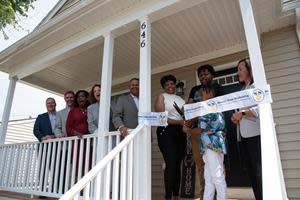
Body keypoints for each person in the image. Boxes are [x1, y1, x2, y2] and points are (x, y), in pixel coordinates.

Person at [183, 85, 227, 200]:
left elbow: (200, 129)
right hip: (210, 146)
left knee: (217, 176)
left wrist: (188, 130)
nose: (200, 97)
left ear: (211, 95)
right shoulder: (214, 108)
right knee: (209, 177)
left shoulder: (208, 109)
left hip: (212, 146)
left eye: (202, 94)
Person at [231, 58, 262, 200]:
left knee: (258, 171)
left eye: (240, 69)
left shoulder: (256, 86)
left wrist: (241, 113)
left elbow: (258, 110)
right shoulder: (243, 89)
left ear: (249, 69)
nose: (238, 72)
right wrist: (236, 117)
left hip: (255, 136)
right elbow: (242, 112)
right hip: (243, 136)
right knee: (251, 172)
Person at [154, 75, 186, 200]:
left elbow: (185, 116)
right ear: (164, 87)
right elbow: (161, 118)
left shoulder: (180, 99)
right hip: (166, 131)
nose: (170, 86)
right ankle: (168, 196)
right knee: (171, 163)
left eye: (172, 84)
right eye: (167, 84)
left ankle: (176, 195)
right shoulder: (162, 97)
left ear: (175, 84)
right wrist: (179, 122)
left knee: (177, 164)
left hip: (181, 132)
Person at [66, 90, 90, 178]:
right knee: (79, 163)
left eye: (83, 96)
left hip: (89, 141)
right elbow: (68, 127)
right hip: (77, 142)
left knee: (89, 162)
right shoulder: (73, 111)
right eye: (78, 97)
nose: (80, 98)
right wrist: (76, 133)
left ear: (86, 98)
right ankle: (80, 184)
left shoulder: (90, 109)